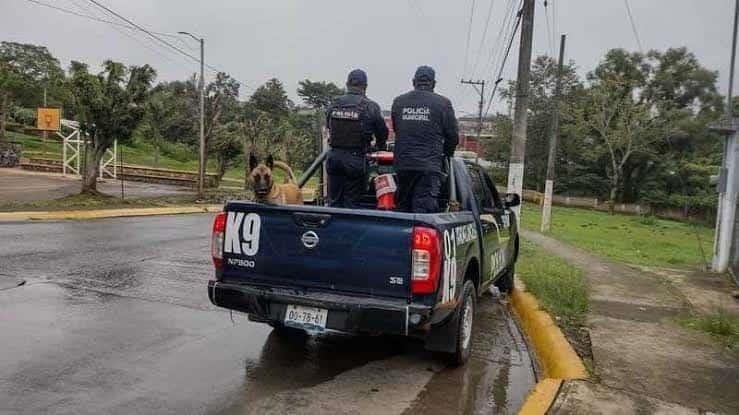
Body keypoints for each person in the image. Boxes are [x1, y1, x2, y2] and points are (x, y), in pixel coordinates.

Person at [391, 66, 458, 213]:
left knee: (403, 208)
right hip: (429, 167)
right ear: (433, 83)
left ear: (414, 81)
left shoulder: (399, 102)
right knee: (422, 211)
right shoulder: (443, 104)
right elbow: (452, 136)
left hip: (403, 165)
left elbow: (397, 129)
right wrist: (446, 155)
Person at [325, 69, 389, 208]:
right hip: (355, 160)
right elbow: (382, 132)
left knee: (334, 203)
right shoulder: (370, 106)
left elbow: (328, 126)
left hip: (334, 158)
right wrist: (380, 146)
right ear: (365, 86)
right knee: (351, 205)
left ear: (347, 84)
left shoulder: (334, 103)